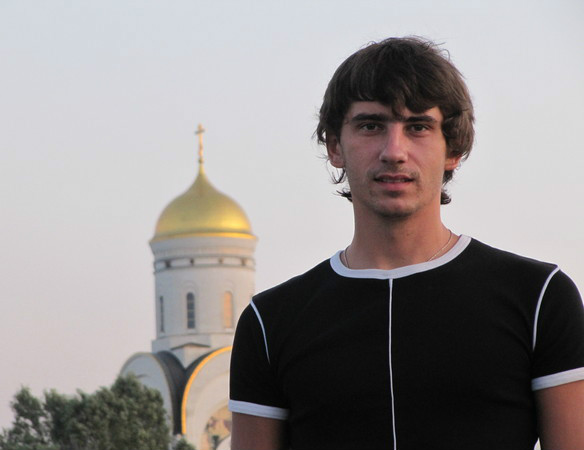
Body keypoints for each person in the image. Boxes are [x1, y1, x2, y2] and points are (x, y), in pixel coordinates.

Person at [228, 37, 584, 450]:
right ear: (335, 147)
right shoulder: (270, 322)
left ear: (453, 149)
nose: (394, 151)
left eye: (418, 127)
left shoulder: (538, 298)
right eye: (371, 126)